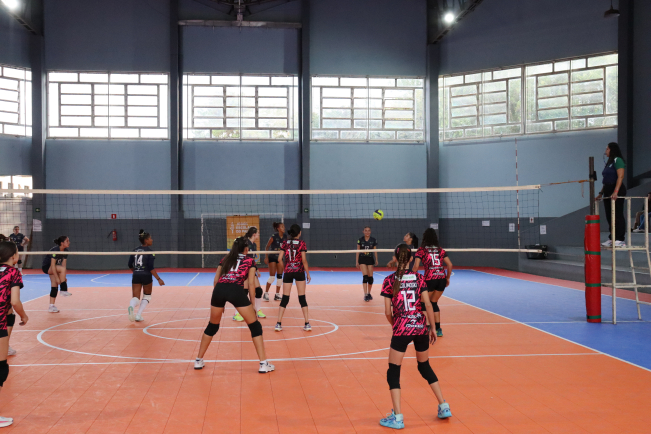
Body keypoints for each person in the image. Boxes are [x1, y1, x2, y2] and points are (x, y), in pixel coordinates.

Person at [379, 244, 451, 429]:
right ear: (411, 259)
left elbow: (387, 311)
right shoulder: (419, 278)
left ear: (395, 259)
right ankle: (443, 405)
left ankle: (397, 417)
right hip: (420, 328)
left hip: (402, 329)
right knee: (424, 366)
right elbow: (428, 304)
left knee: (393, 371)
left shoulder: (389, 280)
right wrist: (432, 327)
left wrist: (396, 325)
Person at [194, 237, 275, 373]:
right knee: (255, 326)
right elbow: (251, 283)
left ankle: (198, 360)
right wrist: (253, 305)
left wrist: (219, 302)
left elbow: (216, 280)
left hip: (219, 289)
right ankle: (263, 364)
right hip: (235, 289)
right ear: (246, 249)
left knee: (212, 326)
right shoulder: (250, 261)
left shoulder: (225, 259)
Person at [0, 241, 29, 427]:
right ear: (13, 257)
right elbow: (15, 301)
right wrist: (24, 316)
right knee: (0, 369)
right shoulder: (13, 272)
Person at [412, 229, 453, 337]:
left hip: (430, 279)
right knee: (433, 303)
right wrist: (447, 278)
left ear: (424, 238)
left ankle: (427, 327)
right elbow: (450, 265)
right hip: (441, 279)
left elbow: (416, 266)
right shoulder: (440, 250)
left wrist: (411, 277)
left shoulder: (421, 250)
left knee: (423, 303)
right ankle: (438, 329)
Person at [275, 224, 311, 332]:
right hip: (299, 271)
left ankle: (278, 323)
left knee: (285, 298)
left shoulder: (285, 243)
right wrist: (308, 273)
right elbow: (304, 260)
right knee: (302, 298)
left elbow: (279, 259)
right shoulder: (302, 243)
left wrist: (285, 268)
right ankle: (307, 323)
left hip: (288, 272)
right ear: (299, 233)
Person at [128, 230, 165, 322]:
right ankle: (138, 315)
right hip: (146, 275)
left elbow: (129, 264)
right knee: (147, 296)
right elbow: (150, 267)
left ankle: (131, 306)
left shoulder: (134, 250)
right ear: (146, 240)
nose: (152, 240)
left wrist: (136, 271)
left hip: (136, 274)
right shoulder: (150, 252)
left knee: (136, 298)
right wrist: (159, 279)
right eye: (150, 238)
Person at [596, 142, 627, 247]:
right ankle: (612, 238)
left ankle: (620, 239)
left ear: (612, 149)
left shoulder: (618, 160)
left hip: (616, 188)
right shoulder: (609, 162)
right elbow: (606, 180)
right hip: (607, 189)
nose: (606, 151)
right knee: (609, 215)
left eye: (607, 149)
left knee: (617, 214)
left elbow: (620, 176)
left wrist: (616, 191)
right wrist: (601, 193)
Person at [234, 227, 265, 321]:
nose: (259, 235)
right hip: (244, 270)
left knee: (258, 291)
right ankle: (237, 314)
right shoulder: (245, 243)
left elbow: (252, 260)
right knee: (244, 292)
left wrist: (257, 270)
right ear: (254, 234)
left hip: (251, 269)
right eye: (258, 233)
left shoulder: (254, 245)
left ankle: (257, 310)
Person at [42, 236, 71, 313]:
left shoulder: (66, 251)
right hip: (47, 267)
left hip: (54, 267)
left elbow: (63, 264)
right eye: (67, 241)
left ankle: (51, 306)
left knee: (54, 286)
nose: (69, 242)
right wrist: (58, 278)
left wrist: (63, 277)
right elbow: (52, 265)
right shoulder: (55, 250)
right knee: (61, 270)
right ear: (62, 243)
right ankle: (63, 290)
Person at [263, 222, 286, 302]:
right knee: (272, 277)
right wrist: (266, 257)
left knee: (280, 277)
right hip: (272, 257)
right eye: (282, 227)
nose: (284, 228)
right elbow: (267, 247)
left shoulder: (285, 237)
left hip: (280, 258)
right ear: (278, 228)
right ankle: (266, 293)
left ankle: (277, 294)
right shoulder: (273, 237)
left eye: (284, 226)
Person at [356, 226, 378, 302]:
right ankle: (365, 294)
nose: (367, 232)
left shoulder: (373, 240)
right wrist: (357, 261)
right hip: (362, 259)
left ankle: (369, 293)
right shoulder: (360, 240)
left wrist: (376, 259)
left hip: (370, 259)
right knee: (365, 277)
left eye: (369, 230)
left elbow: (375, 250)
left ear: (370, 232)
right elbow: (357, 251)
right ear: (363, 231)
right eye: (366, 230)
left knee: (370, 278)